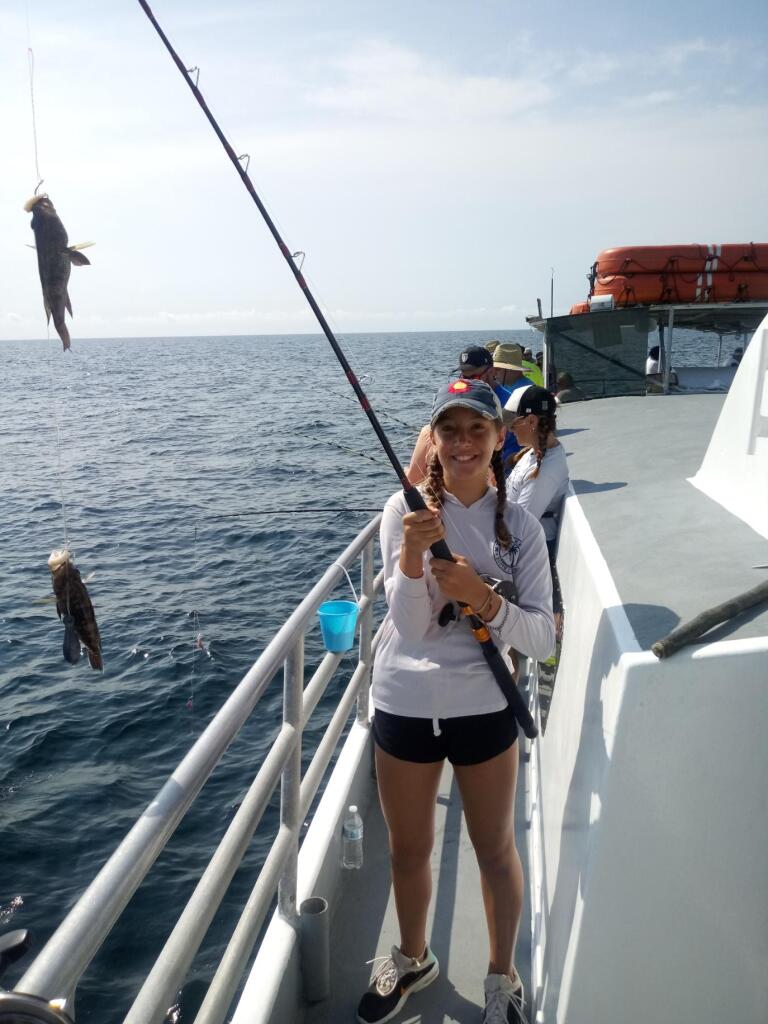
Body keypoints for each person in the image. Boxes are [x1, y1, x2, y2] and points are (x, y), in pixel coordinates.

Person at [359, 378, 554, 1024]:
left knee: (496, 849)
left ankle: (503, 977)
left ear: (500, 440)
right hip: (404, 703)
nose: (464, 443)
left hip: (484, 709)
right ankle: (413, 959)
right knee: (408, 851)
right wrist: (413, 560)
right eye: (451, 430)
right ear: (434, 442)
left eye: (479, 430)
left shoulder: (520, 527)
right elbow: (410, 628)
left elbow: (544, 637)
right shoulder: (402, 511)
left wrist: (485, 598)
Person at [504, 385, 569, 629]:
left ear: (531, 421)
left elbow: (519, 527)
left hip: (531, 559)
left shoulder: (545, 471)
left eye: (513, 422)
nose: (509, 429)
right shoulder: (534, 455)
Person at [407, 345, 513, 484]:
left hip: (498, 477)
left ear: (492, 371)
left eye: (474, 376)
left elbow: (513, 456)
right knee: (426, 432)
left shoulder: (510, 405)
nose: (467, 382)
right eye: (463, 376)